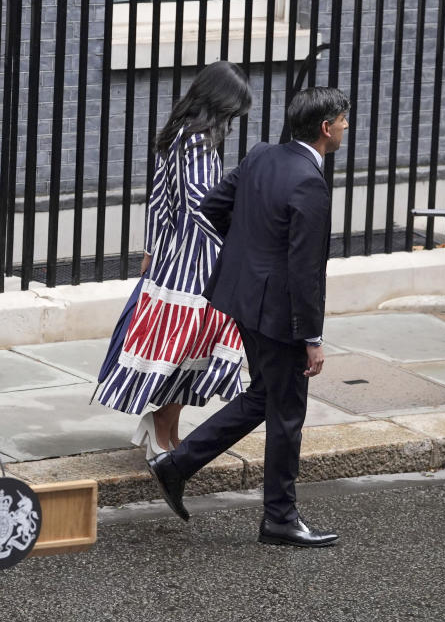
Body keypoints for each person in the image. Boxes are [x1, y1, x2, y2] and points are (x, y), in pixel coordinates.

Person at [146, 86, 350, 547]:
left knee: (263, 397)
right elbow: (305, 269)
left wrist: (251, 258)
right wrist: (312, 338)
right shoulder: (310, 182)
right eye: (342, 120)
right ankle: (280, 518)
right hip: (280, 315)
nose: (345, 128)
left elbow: (213, 208)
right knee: (286, 415)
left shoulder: (261, 156)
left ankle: (177, 464)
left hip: (241, 301)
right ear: (325, 128)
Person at [95, 61, 251, 458]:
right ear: (219, 102)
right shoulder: (198, 141)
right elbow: (203, 205)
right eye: (232, 109)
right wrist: (242, 238)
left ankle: (167, 428)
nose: (233, 119)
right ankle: (162, 429)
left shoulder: (181, 135)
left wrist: (151, 250)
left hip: (179, 254)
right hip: (197, 259)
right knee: (190, 343)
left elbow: (160, 200)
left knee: (190, 345)